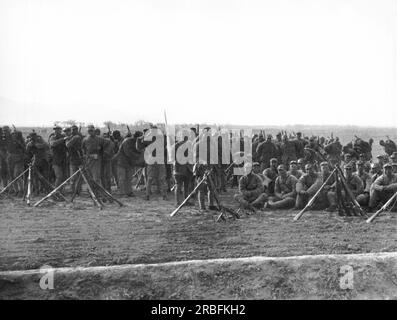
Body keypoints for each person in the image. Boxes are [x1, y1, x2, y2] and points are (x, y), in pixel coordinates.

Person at [65, 125, 83, 194]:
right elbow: (68, 145)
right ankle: (73, 191)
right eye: (73, 130)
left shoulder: (79, 136)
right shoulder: (70, 138)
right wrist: (74, 138)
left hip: (80, 158)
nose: (74, 131)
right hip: (73, 159)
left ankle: (78, 190)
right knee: (73, 176)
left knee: (80, 176)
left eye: (75, 129)